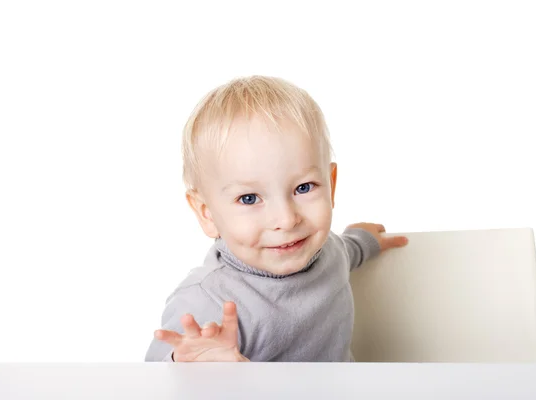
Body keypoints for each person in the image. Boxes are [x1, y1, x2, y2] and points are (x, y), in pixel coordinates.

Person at [145, 75, 408, 362]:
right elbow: (159, 367)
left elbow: (349, 249)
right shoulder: (209, 300)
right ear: (206, 214)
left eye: (303, 188)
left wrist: (366, 238)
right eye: (249, 198)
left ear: (331, 185)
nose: (286, 220)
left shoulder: (328, 251)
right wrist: (185, 363)